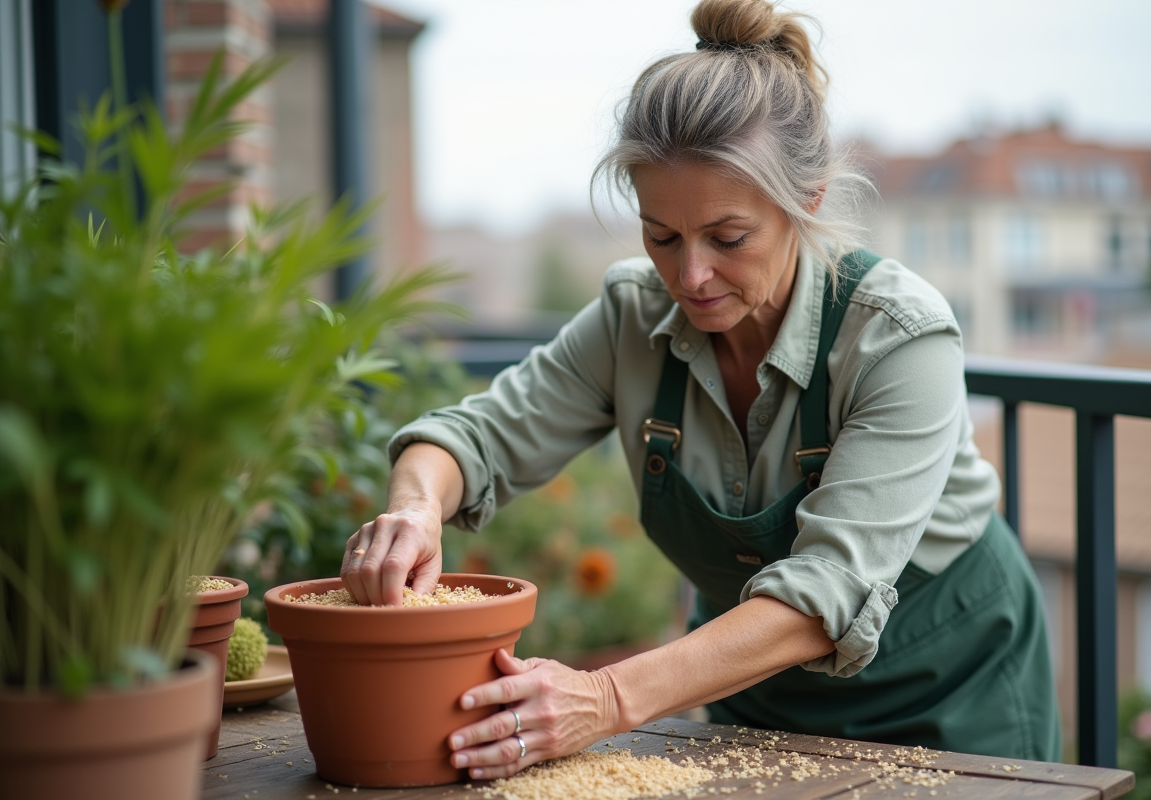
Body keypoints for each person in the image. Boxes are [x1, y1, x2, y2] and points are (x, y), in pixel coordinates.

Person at [341, 0, 1061, 780]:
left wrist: (607, 698)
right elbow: (472, 437)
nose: (689, 276)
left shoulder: (899, 337)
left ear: (806, 199)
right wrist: (415, 506)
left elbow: (827, 588)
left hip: (952, 694)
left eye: (728, 238)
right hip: (752, 696)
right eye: (661, 236)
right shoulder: (633, 316)